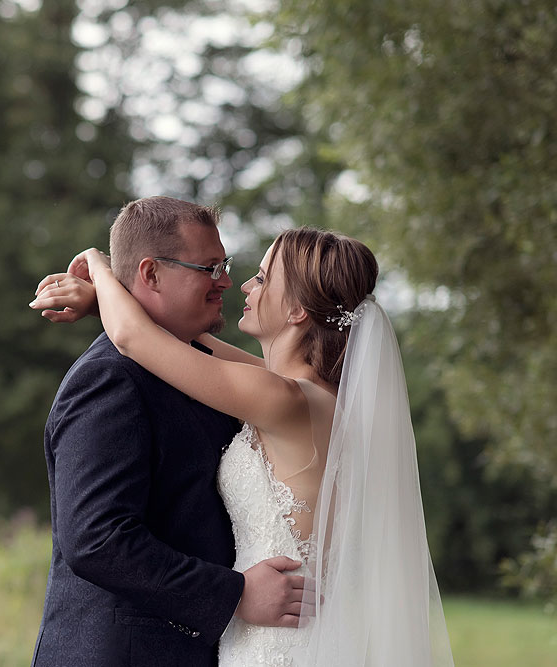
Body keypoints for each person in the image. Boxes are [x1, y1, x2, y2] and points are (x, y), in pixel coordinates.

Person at [31, 222, 455, 666]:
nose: (244, 284)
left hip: (277, 639)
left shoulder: (282, 399)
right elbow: (187, 343)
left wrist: (99, 265)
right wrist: (108, 298)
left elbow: (136, 338)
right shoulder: (309, 395)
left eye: (264, 277)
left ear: (296, 312)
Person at [28, 197, 308, 667]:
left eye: (226, 265)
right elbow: (96, 539)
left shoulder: (216, 378)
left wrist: (103, 288)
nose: (226, 281)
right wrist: (233, 595)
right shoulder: (110, 379)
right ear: (151, 274)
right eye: (209, 267)